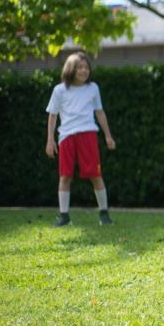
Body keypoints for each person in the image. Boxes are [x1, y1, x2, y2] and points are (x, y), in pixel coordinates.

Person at [45, 51, 116, 227]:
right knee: (65, 176)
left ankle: (104, 214)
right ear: (70, 69)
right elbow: (53, 115)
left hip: (88, 135)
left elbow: (100, 112)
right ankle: (64, 217)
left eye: (86, 67)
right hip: (66, 137)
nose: (84, 70)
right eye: (80, 67)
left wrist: (108, 136)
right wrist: (50, 140)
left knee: (95, 175)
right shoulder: (59, 90)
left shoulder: (93, 88)